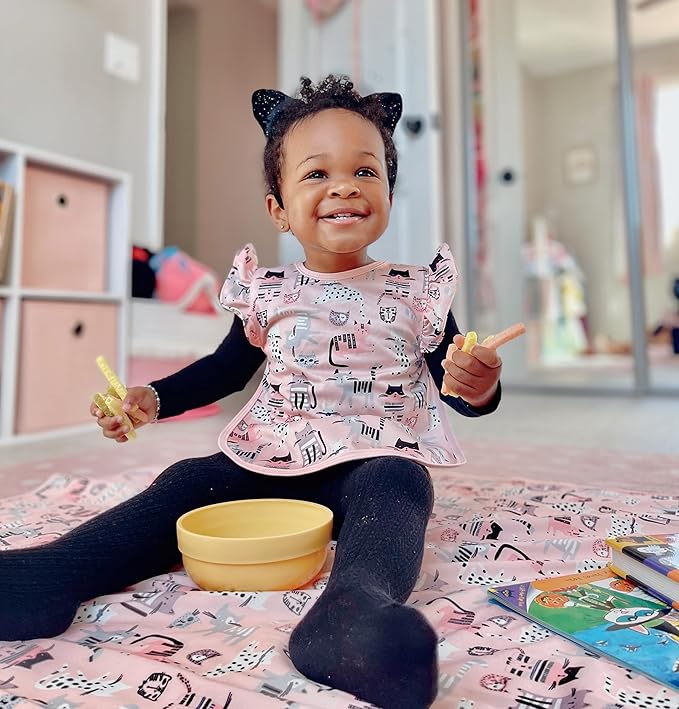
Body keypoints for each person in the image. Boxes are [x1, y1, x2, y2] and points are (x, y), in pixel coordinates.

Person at [0, 75, 503, 709]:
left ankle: (350, 617)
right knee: (187, 479)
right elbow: (224, 371)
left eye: (365, 172)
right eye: (316, 174)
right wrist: (154, 397)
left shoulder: (417, 291)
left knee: (402, 484)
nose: (345, 186)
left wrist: (478, 384)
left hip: (372, 460)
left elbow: (457, 388)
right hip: (271, 455)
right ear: (278, 209)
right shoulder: (268, 292)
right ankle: (51, 575)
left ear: (388, 193)